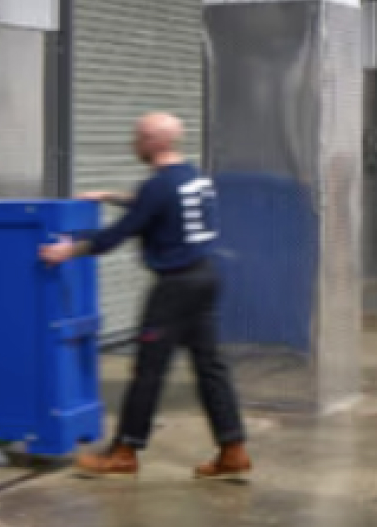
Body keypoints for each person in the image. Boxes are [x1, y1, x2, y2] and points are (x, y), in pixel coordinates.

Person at [40, 112, 250, 480]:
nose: (133, 143)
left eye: (139, 137)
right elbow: (155, 206)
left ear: (156, 142)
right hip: (206, 278)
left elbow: (115, 236)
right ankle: (232, 449)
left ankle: (124, 451)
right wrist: (108, 195)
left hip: (175, 289)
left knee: (148, 369)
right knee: (210, 367)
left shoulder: (158, 188)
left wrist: (66, 251)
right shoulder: (194, 178)